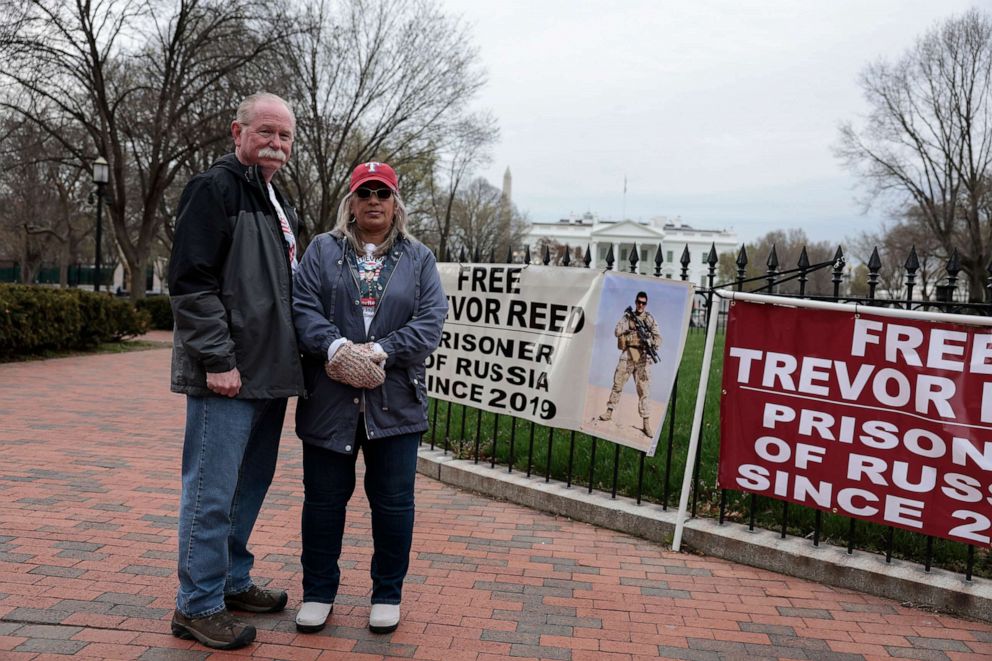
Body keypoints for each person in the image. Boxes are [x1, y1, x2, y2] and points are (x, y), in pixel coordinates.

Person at [167, 92, 303, 650]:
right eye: (266, 131)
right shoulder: (214, 189)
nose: (276, 142)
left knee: (248, 486)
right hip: (228, 374)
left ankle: (229, 579)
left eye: (285, 136)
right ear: (238, 131)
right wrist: (218, 359)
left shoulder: (273, 198)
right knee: (212, 490)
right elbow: (192, 282)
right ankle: (196, 605)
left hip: (268, 375)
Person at [291, 161, 447, 635]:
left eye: (383, 193)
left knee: (394, 503)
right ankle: (318, 592)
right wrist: (336, 349)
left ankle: (387, 593)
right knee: (322, 502)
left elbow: (430, 320)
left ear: (396, 203)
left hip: (395, 401)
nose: (374, 201)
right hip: (329, 400)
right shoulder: (322, 250)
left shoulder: (418, 258)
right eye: (365, 193)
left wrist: (379, 351)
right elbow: (301, 306)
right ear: (351, 203)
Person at [599, 291, 662, 437]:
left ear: (646, 304)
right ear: (635, 302)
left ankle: (646, 424)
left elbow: (658, 338)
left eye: (643, 303)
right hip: (628, 355)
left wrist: (650, 341)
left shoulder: (650, 319)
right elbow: (617, 331)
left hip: (643, 357)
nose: (640, 305)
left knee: (644, 391)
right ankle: (609, 412)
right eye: (638, 302)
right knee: (618, 384)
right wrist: (630, 329)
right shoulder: (628, 317)